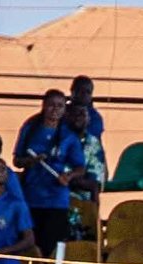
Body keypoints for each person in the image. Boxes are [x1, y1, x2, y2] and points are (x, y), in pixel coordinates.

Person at [13, 89, 85, 255]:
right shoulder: (30, 129)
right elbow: (17, 160)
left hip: (56, 201)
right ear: (44, 106)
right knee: (30, 248)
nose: (55, 109)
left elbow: (80, 167)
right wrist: (31, 162)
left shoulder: (69, 136)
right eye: (51, 105)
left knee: (51, 248)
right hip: (31, 198)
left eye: (60, 106)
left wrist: (69, 176)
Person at [62, 100, 106, 200]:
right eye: (74, 114)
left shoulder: (92, 143)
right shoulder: (57, 139)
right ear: (66, 116)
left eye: (82, 114)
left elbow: (95, 183)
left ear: (88, 119)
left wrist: (71, 179)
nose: (78, 117)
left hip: (81, 200)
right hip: (55, 197)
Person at [70, 75, 105, 140]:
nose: (84, 95)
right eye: (81, 90)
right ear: (72, 91)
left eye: (88, 92)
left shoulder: (95, 117)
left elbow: (88, 140)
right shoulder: (62, 112)